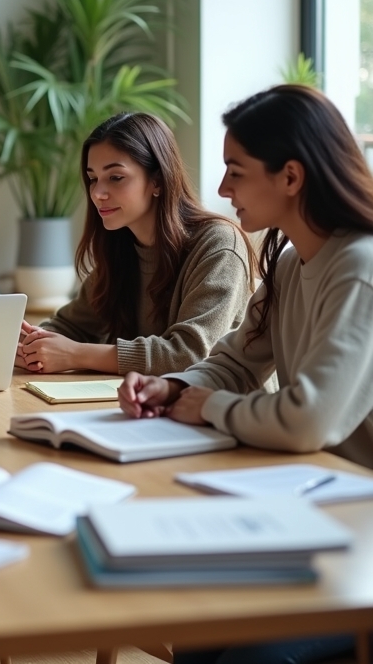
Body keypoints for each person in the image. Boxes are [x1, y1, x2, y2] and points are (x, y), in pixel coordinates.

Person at [118, 85, 373, 664]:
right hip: (323, 507)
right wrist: (176, 386)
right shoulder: (289, 260)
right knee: (201, 632)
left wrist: (203, 407)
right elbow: (237, 357)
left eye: (235, 170)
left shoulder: (360, 267)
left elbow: (309, 420)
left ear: (291, 176)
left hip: (358, 528)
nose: (221, 188)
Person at [17, 111, 255, 376]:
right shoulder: (122, 246)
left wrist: (75, 354)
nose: (97, 193)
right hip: (147, 407)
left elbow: (189, 354)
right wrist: (31, 346)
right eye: (93, 178)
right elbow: (70, 326)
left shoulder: (219, 244)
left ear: (157, 180)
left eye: (115, 177)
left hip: (226, 412)